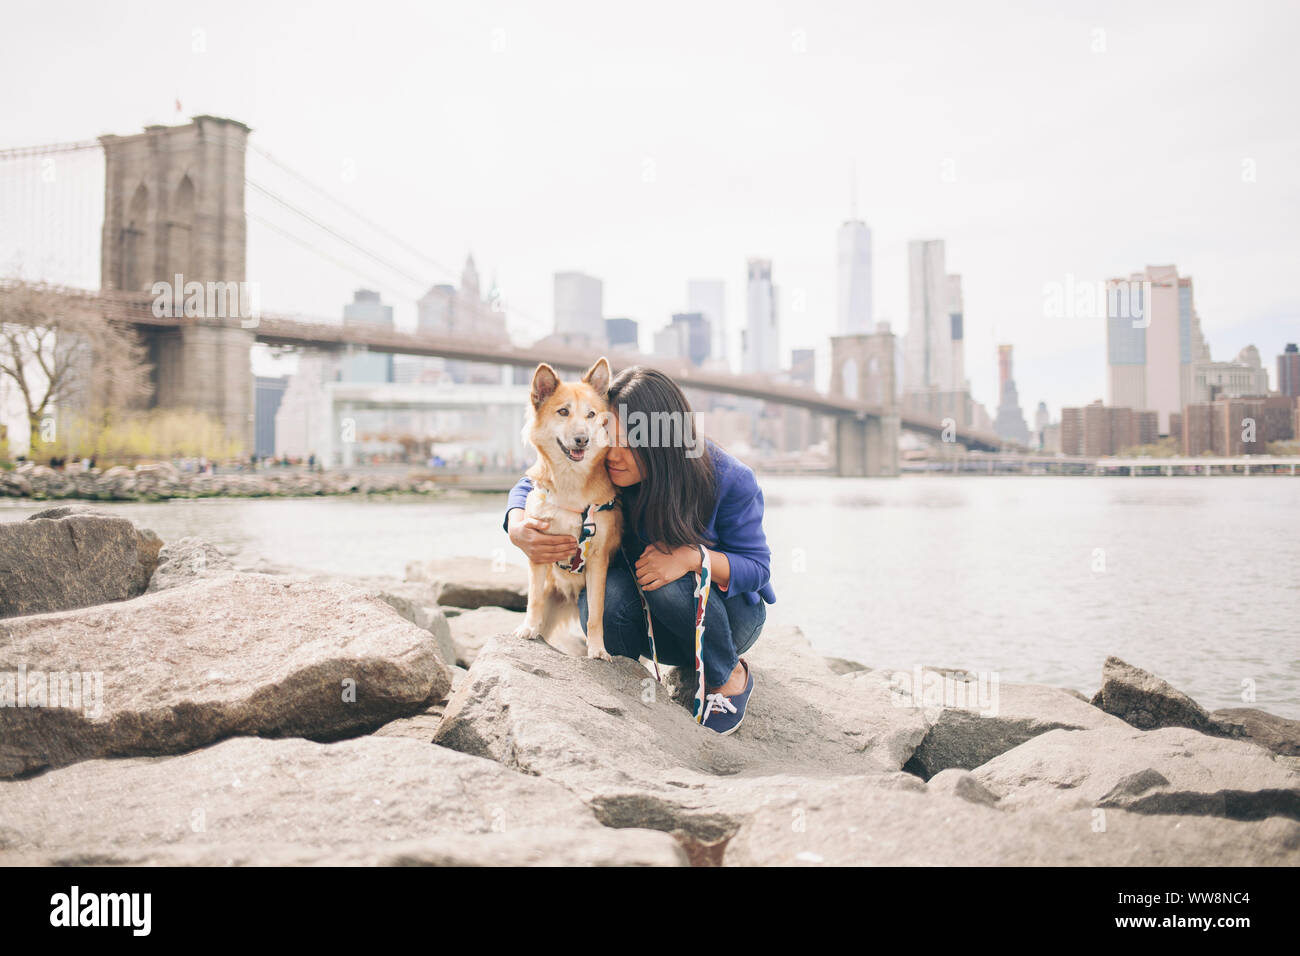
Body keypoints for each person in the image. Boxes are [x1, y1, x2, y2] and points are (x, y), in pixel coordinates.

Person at [503, 366, 775, 735]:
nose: (611, 454)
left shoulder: (729, 478)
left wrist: (689, 558)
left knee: (665, 579)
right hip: (656, 627)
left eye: (627, 444)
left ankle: (728, 675)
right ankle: (630, 683)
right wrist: (517, 523)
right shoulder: (607, 467)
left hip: (729, 620)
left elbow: (758, 568)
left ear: (661, 441)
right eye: (606, 437)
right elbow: (537, 479)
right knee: (603, 600)